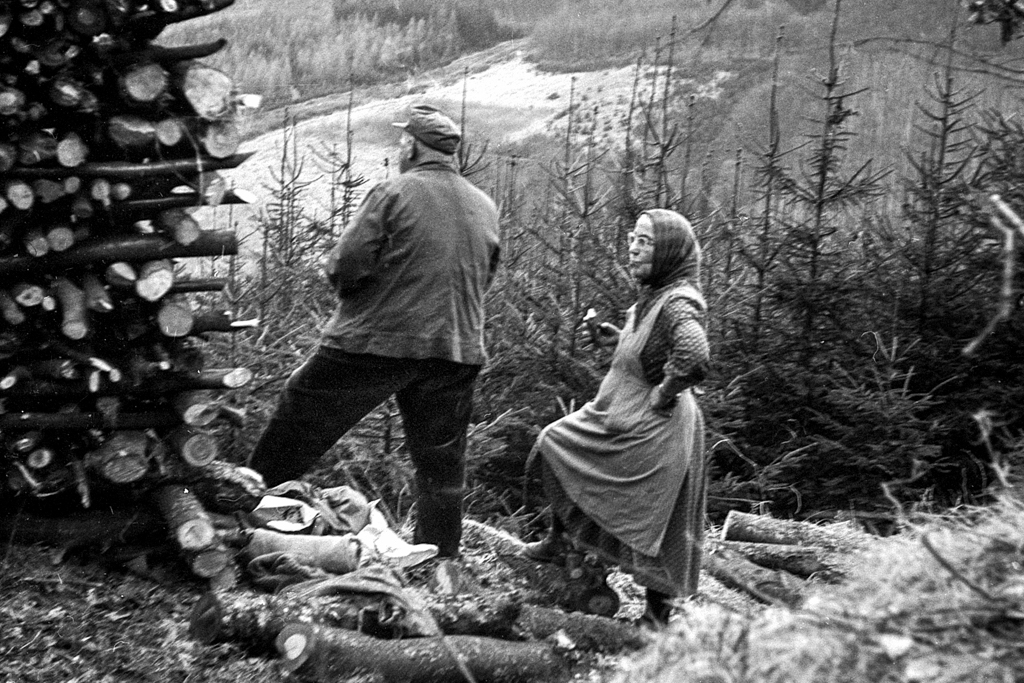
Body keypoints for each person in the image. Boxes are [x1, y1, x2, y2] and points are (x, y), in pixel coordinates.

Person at [248, 104, 501, 558]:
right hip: (458, 348)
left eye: (403, 140)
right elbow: (486, 275)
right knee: (441, 465)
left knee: (298, 417)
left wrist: (352, 294)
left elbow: (347, 262)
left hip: (379, 339)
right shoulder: (485, 206)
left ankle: (239, 518)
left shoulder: (394, 191)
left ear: (410, 146)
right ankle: (442, 563)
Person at [524, 208, 710, 627]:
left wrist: (663, 393)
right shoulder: (655, 294)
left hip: (657, 429)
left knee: (658, 518)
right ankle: (562, 540)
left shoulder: (679, 301)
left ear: (669, 252)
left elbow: (695, 357)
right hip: (621, 413)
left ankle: (656, 620)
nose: (633, 247)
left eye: (646, 241)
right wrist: (618, 340)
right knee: (554, 443)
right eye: (633, 237)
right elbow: (652, 350)